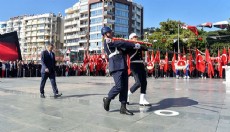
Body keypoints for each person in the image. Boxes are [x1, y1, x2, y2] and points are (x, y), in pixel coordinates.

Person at [101, 26, 144, 115]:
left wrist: (140, 47)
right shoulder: (108, 41)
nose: (111, 33)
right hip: (116, 65)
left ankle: (123, 108)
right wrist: (134, 45)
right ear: (105, 34)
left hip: (122, 64)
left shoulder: (113, 41)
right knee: (119, 86)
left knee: (124, 87)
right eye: (109, 32)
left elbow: (125, 49)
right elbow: (121, 43)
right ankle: (108, 98)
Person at [127, 33, 151, 106]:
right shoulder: (129, 45)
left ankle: (142, 99)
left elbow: (144, 48)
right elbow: (133, 48)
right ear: (131, 39)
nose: (136, 38)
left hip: (140, 64)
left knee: (144, 82)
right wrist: (137, 46)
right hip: (134, 65)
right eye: (134, 37)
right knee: (138, 83)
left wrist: (147, 46)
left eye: (137, 37)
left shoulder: (138, 45)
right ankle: (126, 95)